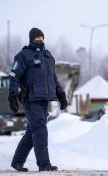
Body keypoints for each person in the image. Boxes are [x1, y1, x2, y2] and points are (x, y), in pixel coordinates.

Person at [8, 28, 68, 172]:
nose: (40, 40)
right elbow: (14, 76)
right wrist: (12, 95)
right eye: (37, 38)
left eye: (42, 37)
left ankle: (17, 162)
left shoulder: (48, 57)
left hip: (44, 100)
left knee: (32, 132)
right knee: (40, 130)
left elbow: (53, 79)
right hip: (31, 99)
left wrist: (61, 95)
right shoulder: (23, 56)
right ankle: (44, 164)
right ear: (31, 39)